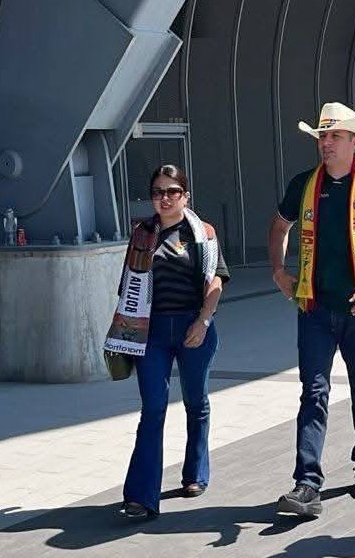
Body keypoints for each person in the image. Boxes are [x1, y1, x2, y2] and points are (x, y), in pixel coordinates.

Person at [268, 102, 355, 518]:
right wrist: (278, 271)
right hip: (314, 307)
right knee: (314, 392)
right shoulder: (304, 184)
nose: (326, 143)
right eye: (322, 137)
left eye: (334, 136)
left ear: (354, 141)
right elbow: (280, 226)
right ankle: (307, 484)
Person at [118, 165, 230, 520]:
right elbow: (128, 285)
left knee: (196, 403)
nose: (164, 198)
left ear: (185, 196)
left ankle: (195, 473)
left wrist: (203, 320)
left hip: (193, 325)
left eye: (172, 191)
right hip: (150, 332)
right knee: (153, 408)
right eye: (157, 192)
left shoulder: (202, 233)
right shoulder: (141, 234)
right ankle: (141, 496)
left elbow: (215, 281)